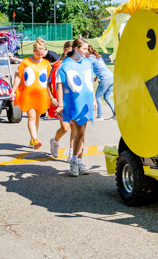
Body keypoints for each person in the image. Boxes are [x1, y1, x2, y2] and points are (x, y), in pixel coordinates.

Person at [55, 37, 96, 176]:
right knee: (80, 132)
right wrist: (60, 104)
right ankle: (73, 161)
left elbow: (90, 82)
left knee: (82, 132)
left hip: (86, 101)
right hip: (73, 102)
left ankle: (79, 161)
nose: (87, 51)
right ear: (76, 49)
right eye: (84, 49)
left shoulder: (87, 62)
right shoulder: (65, 65)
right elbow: (59, 86)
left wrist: (94, 100)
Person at [10, 37, 52, 149]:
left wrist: (52, 96)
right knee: (31, 117)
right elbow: (18, 77)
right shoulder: (25, 62)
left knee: (37, 118)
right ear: (34, 51)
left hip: (42, 95)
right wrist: (13, 91)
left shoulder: (47, 63)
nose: (40, 56)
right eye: (38, 54)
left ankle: (33, 139)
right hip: (28, 94)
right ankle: (35, 139)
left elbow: (49, 81)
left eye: (42, 54)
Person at [88, 46, 115, 121]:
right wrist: (97, 76)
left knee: (98, 97)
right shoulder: (98, 57)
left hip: (105, 79)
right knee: (107, 97)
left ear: (88, 52)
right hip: (111, 77)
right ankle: (115, 115)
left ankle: (100, 116)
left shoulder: (90, 59)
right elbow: (99, 67)